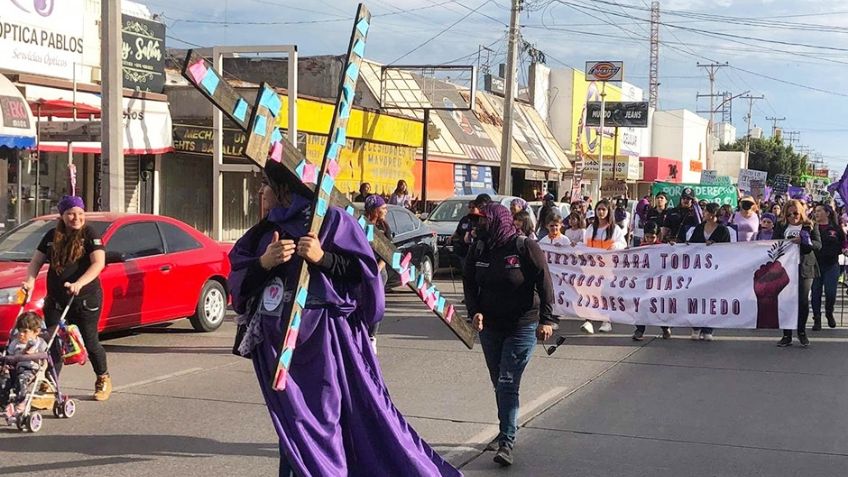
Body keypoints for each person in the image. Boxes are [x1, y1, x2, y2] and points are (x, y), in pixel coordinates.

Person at [228, 160, 460, 476]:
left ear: (283, 189)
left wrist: (322, 258)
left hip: (325, 342)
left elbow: (362, 274)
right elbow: (240, 284)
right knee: (292, 429)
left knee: (325, 420)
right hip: (278, 351)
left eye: (266, 184)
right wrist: (264, 263)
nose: (261, 191)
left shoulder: (331, 222)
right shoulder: (263, 234)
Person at [464, 203, 555, 467]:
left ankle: (506, 441)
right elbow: (469, 280)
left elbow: (545, 281)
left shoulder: (524, 246)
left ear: (495, 220)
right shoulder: (479, 248)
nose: (477, 225)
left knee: (507, 382)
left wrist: (547, 319)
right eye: (475, 220)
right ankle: (506, 424)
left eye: (481, 220)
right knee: (498, 382)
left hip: (522, 326)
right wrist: (474, 311)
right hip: (490, 327)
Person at [23, 196, 109, 402]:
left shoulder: (90, 234)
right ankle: (51, 384)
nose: (76, 217)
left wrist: (80, 283)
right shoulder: (52, 235)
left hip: (85, 298)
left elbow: (98, 263)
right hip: (56, 299)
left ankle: (102, 378)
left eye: (80, 213)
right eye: (70, 213)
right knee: (53, 342)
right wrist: (30, 282)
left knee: (90, 342)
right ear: (62, 215)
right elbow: (36, 261)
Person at [774, 200, 821, 347]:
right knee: (786, 300)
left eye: (795, 213)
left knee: (802, 301)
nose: (792, 216)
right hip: (786, 267)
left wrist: (804, 241)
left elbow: (818, 245)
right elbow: (773, 242)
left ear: (801, 212)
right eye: (789, 214)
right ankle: (786, 334)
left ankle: (801, 332)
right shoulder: (781, 226)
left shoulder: (810, 225)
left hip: (805, 267)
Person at [686, 203, 731, 342]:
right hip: (698, 270)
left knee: (711, 299)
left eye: (705, 211)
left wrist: (715, 245)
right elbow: (692, 244)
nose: (703, 213)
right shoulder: (699, 227)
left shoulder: (723, 230)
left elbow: (728, 249)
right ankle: (696, 327)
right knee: (697, 297)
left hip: (714, 270)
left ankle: (708, 328)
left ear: (712, 214)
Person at [581, 200, 627, 334]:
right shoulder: (591, 229)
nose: (600, 212)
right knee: (589, 294)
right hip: (592, 268)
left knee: (606, 294)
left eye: (603, 210)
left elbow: (622, 245)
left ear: (608, 212)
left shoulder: (614, 229)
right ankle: (588, 320)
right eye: (598, 209)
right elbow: (585, 246)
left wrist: (615, 247)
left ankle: (606, 321)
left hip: (608, 268)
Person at [0, 312, 48, 418]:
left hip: (31, 369)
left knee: (21, 380)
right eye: (20, 331)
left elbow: (44, 356)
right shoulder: (15, 343)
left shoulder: (39, 343)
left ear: (36, 332)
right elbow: (10, 355)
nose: (21, 334)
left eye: (25, 332)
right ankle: (5, 405)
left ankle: (21, 404)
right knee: (3, 380)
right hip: (15, 368)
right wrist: (6, 364)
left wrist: (33, 354)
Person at [632, 221, 671, 341]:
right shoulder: (640, 248)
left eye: (652, 237)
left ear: (657, 236)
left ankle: (665, 327)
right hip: (643, 282)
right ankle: (640, 329)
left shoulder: (662, 247)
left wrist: (673, 247)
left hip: (658, 282)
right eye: (647, 237)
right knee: (641, 306)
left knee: (658, 306)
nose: (649, 240)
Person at [811, 204, 846, 330]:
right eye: (815, 211)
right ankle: (817, 318)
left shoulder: (836, 228)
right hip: (815, 265)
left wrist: (845, 249)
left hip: (831, 265)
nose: (817, 213)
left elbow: (844, 242)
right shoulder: (810, 227)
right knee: (816, 292)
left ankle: (829, 312)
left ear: (828, 213)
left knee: (830, 293)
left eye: (819, 211)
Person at [364, 194, 392, 351]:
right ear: (374, 210)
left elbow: (388, 252)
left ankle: (371, 336)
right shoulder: (362, 224)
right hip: (363, 269)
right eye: (383, 208)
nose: (385, 211)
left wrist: (377, 269)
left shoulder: (385, 228)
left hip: (378, 272)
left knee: (376, 304)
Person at [451, 194, 490, 271]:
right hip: (467, 250)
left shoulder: (486, 218)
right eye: (470, 207)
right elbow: (462, 233)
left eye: (473, 207)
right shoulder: (467, 219)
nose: (471, 209)